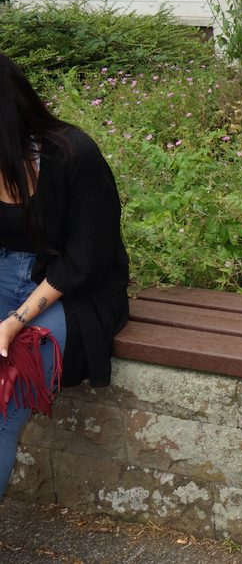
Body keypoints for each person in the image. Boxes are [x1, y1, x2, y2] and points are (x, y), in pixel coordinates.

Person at [0, 53, 130, 497]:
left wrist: (16, 320)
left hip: (74, 291)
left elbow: (86, 258)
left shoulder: (73, 154)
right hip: (7, 275)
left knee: (5, 399)